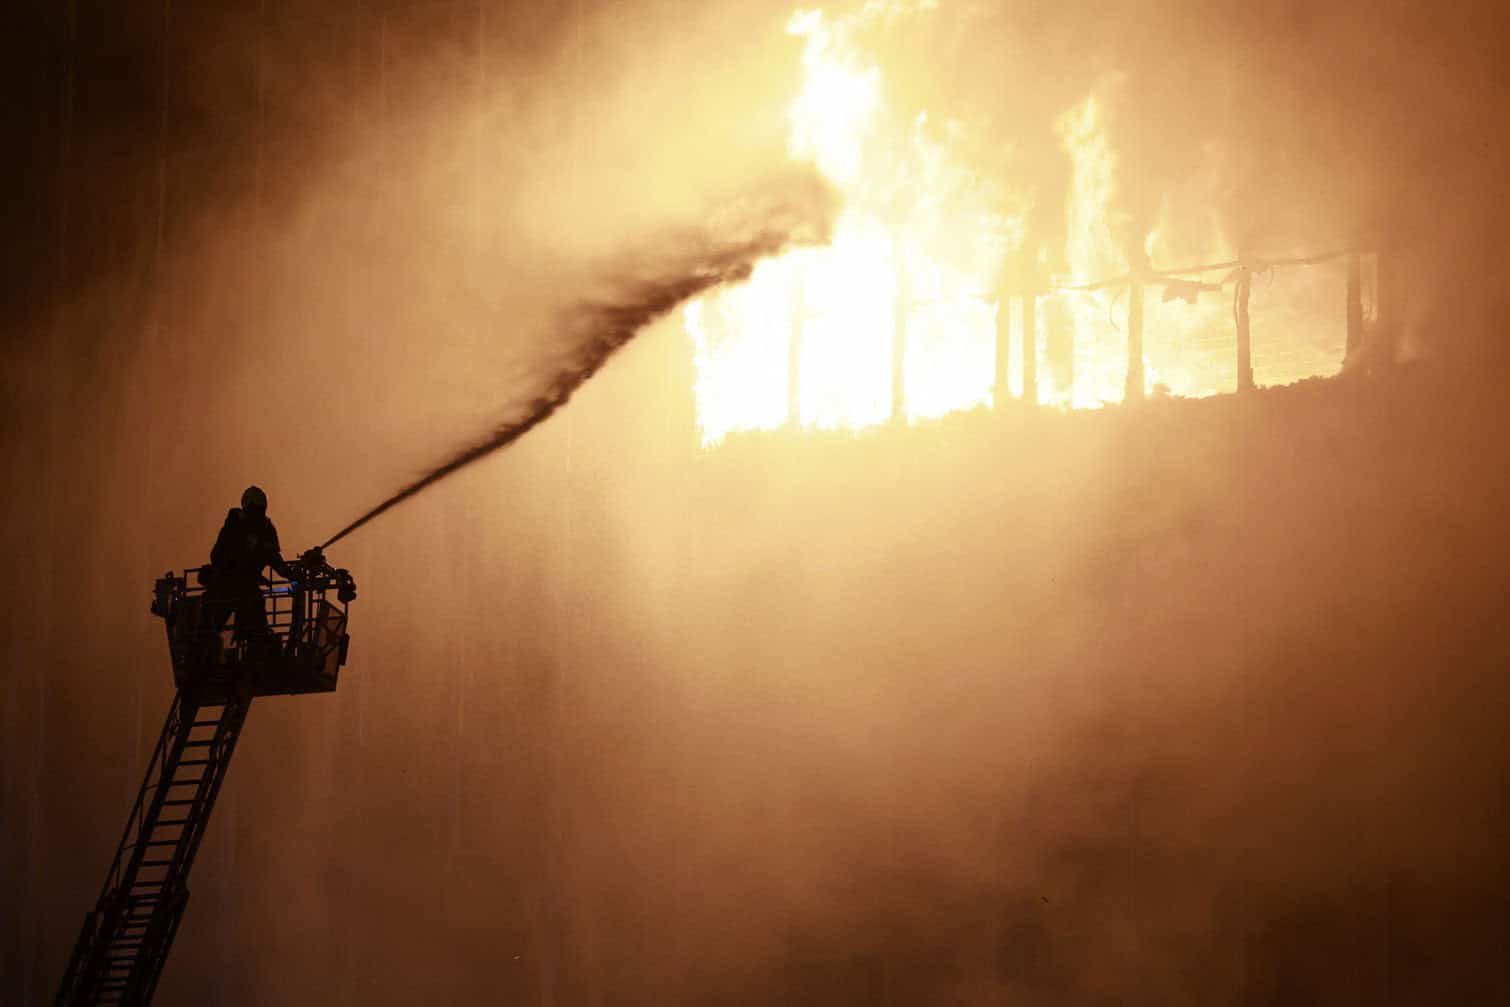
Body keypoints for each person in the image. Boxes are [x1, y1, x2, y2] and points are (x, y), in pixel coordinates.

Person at [205, 485, 292, 645]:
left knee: (254, 609)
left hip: (244, 588)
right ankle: (208, 644)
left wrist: (289, 573)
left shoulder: (266, 529)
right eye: (254, 509)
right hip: (226, 585)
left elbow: (273, 557)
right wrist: (246, 573)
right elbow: (219, 556)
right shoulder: (235, 524)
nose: (257, 514)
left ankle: (257, 644)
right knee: (215, 617)